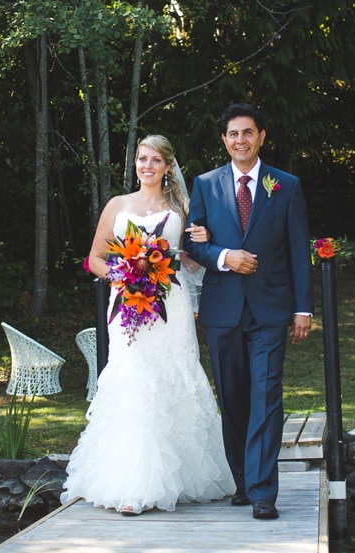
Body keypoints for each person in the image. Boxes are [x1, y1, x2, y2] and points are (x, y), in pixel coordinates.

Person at [61, 135, 235, 516]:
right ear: (135, 164)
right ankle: (131, 485)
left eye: (156, 160)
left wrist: (204, 240)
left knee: (176, 375)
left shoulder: (183, 207)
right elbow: (93, 258)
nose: (148, 166)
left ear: (168, 166)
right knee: (134, 381)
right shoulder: (118, 205)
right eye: (142, 159)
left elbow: (192, 259)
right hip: (128, 306)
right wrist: (124, 275)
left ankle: (184, 477)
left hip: (169, 306)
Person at [184, 103, 314, 520]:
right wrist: (225, 256)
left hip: (271, 310)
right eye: (233, 134)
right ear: (224, 140)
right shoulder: (204, 184)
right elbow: (194, 245)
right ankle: (242, 481)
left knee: (266, 397)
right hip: (222, 308)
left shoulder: (286, 185)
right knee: (234, 399)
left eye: (248, 132)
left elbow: (298, 251)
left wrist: (303, 309)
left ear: (261, 136)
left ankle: (262, 492)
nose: (240, 140)